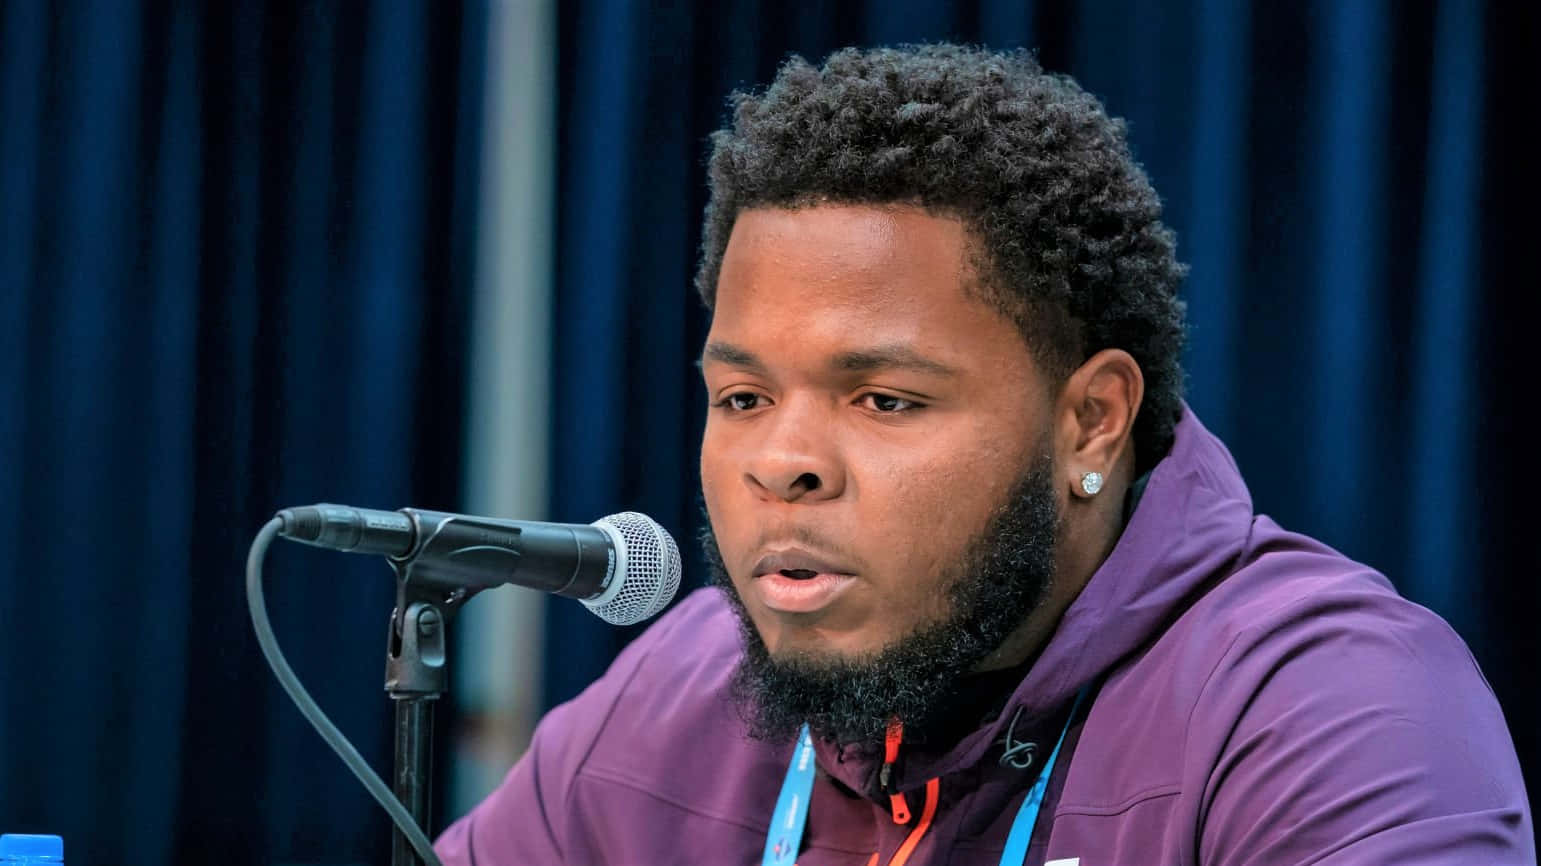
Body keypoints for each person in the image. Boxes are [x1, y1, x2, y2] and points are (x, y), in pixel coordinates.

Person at [435, 44, 1534, 865]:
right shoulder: (675, 691)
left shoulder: (1330, 704)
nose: (781, 461)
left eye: (882, 398)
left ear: (1090, 420)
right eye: (742, 394)